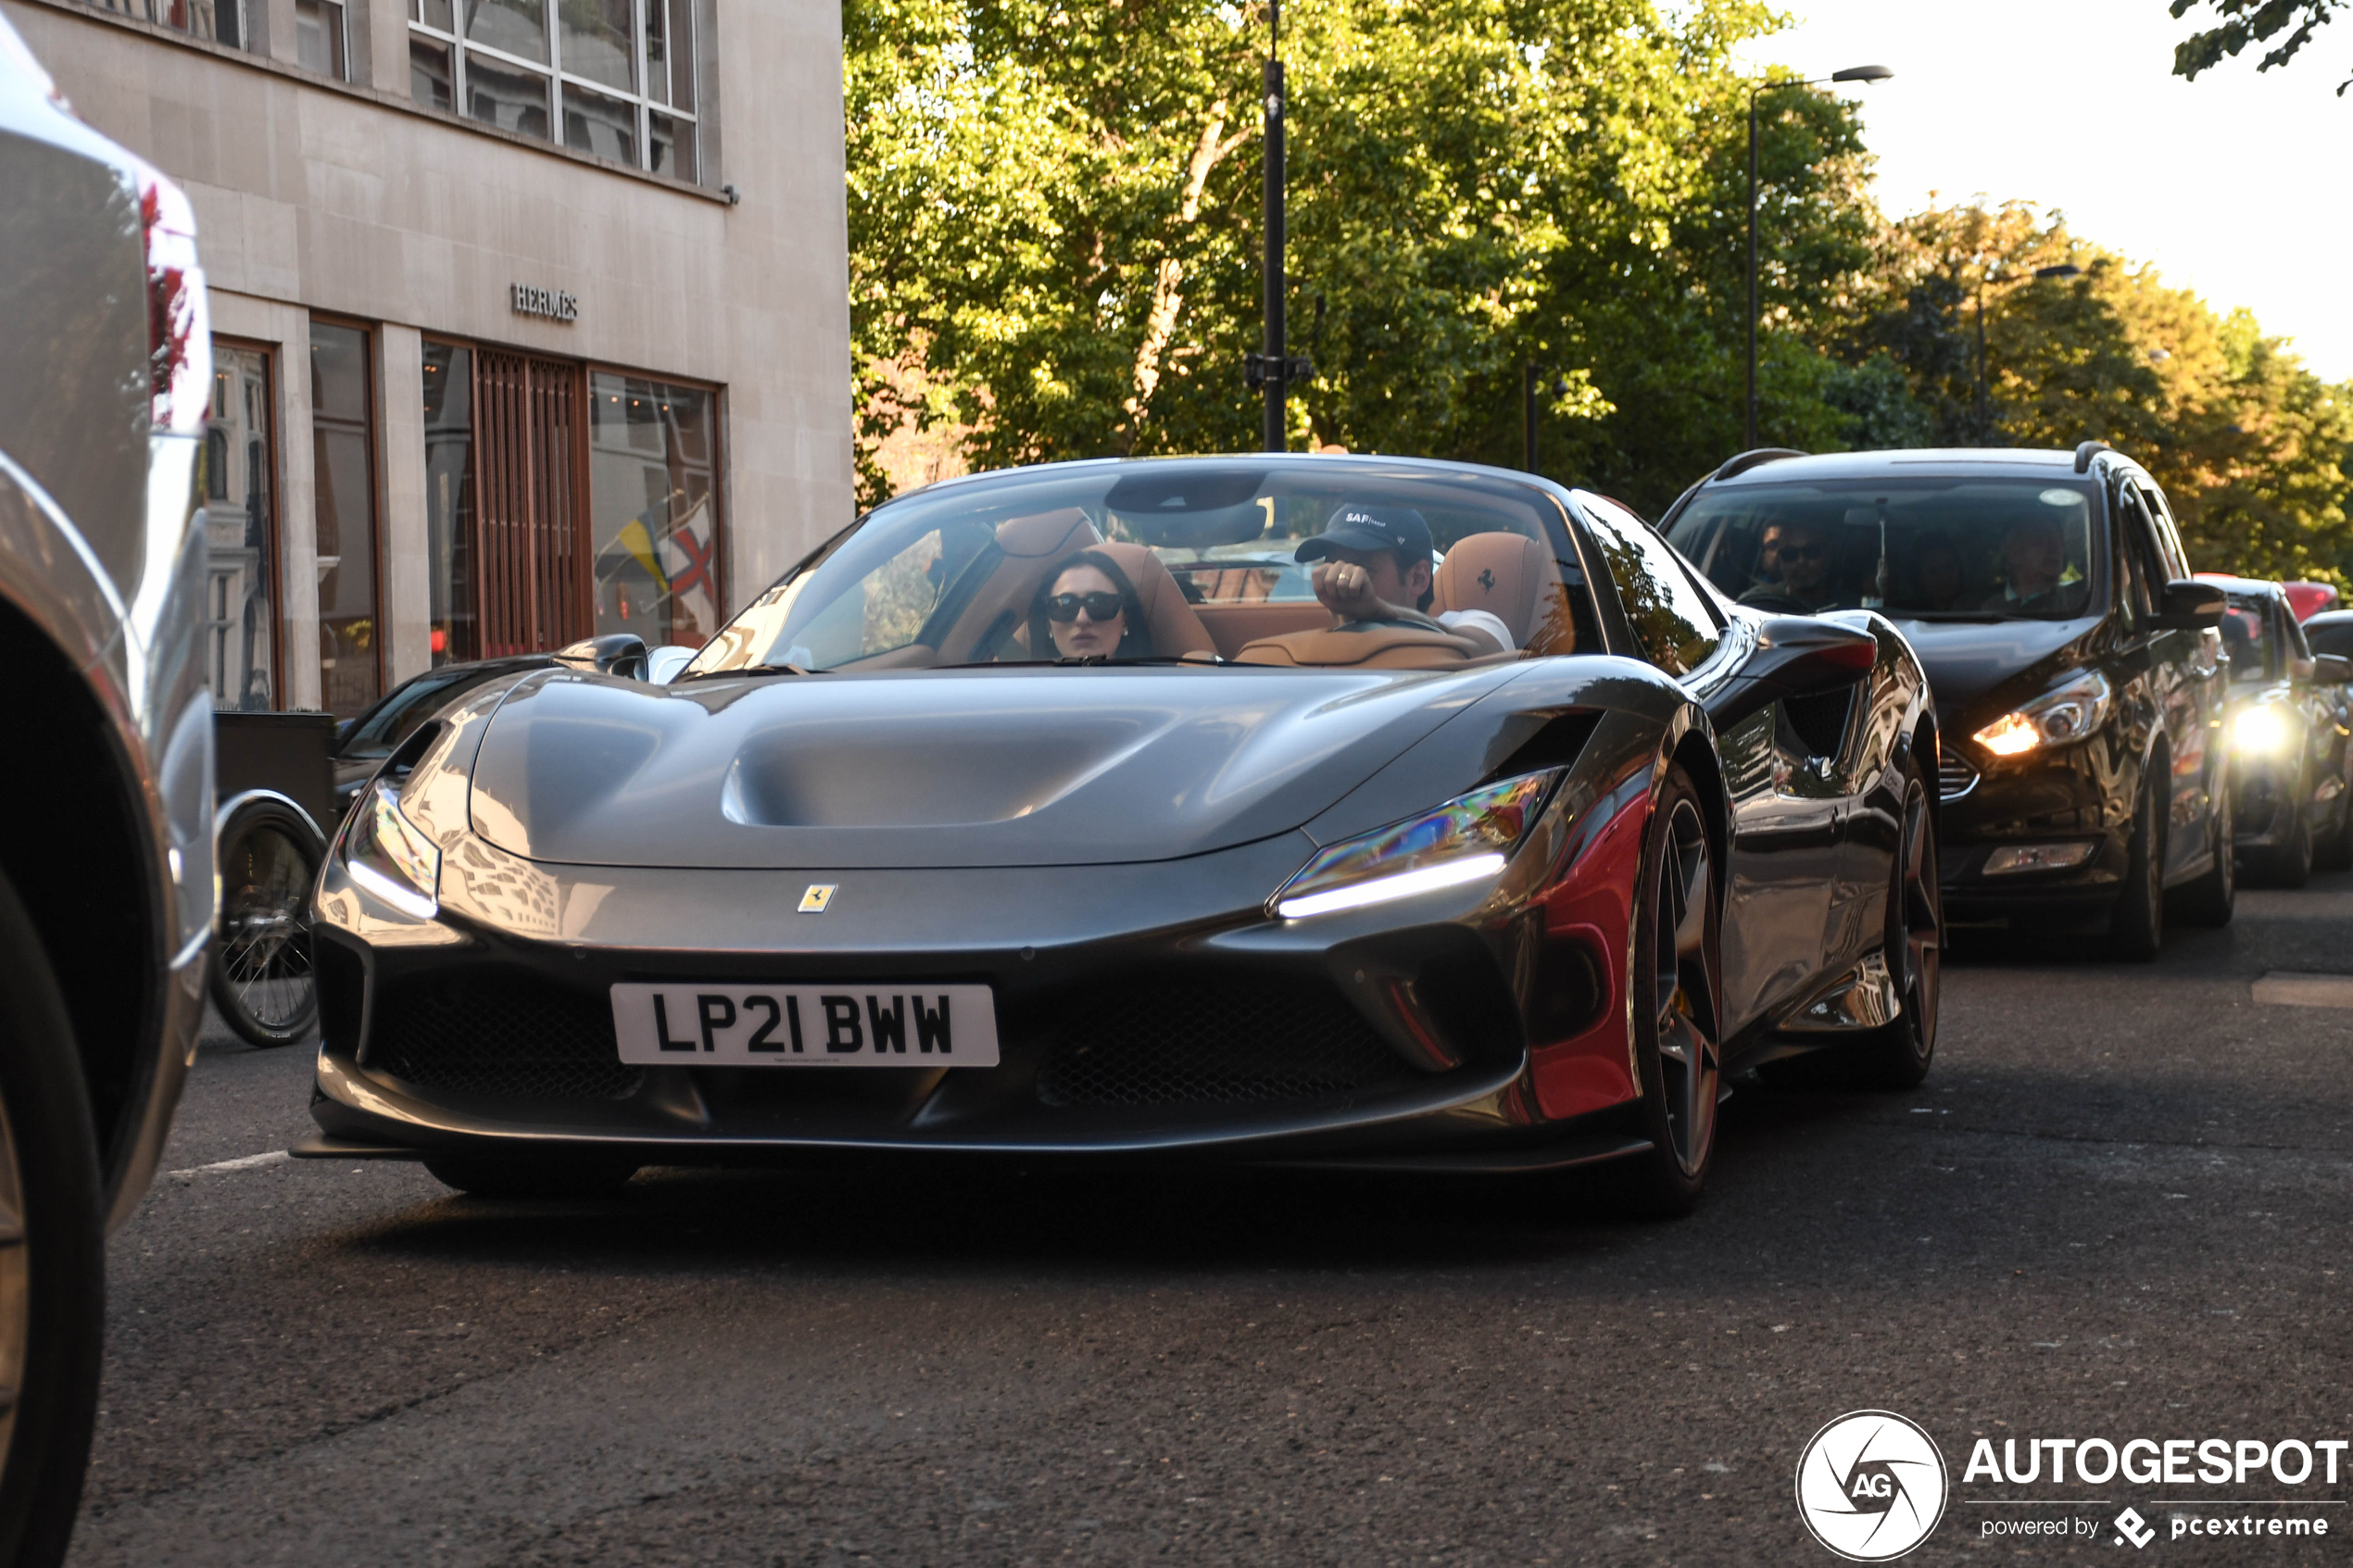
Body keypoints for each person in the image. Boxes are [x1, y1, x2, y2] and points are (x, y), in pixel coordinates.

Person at [1293, 504, 1514, 653]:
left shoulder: (1466, 623)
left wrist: (1380, 611)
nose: (1344, 579)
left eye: (1364, 568)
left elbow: (1487, 647)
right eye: (1333, 567)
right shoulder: (1315, 652)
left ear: (1418, 578)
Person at [1028, 549, 1152, 660]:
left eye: (1099, 604)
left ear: (1125, 619)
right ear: (1048, 624)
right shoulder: (1021, 684)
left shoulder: (1160, 683)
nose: (1082, 619)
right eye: (1065, 606)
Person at [1739, 520, 1851, 612]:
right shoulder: (1755, 604)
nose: (1801, 561)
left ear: (1828, 555)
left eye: (1811, 551)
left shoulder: (1850, 608)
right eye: (1789, 554)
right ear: (1780, 561)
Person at [1981, 516, 2085, 614]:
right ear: (2012, 552)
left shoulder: (2082, 606)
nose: (2055, 548)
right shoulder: (1975, 607)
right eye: (2042, 539)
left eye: (2059, 540)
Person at [1906, 531, 1965, 611]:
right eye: (1934, 572)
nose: (1944, 577)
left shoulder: (1979, 611)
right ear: (1919, 577)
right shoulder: (1904, 615)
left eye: (1949, 568)